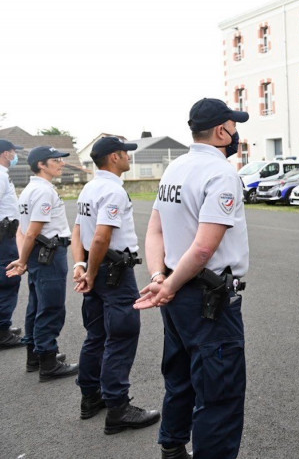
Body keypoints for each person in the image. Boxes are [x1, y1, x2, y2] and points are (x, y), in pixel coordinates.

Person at [134, 98, 249, 459]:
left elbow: (154, 231)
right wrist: (166, 285)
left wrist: (160, 277)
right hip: (207, 298)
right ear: (221, 131)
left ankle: (172, 446)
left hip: (176, 292)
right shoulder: (221, 174)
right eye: (234, 127)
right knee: (220, 392)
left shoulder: (175, 168)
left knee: (180, 376)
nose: (236, 135)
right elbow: (203, 249)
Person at [71, 136, 160, 433]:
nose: (128, 158)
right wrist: (92, 272)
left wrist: (82, 266)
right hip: (112, 272)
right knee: (121, 336)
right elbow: (100, 236)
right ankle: (118, 408)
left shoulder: (89, 188)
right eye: (125, 153)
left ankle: (90, 397)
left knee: (96, 335)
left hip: (96, 268)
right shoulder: (113, 191)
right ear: (113, 157)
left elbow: (78, 232)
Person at [6, 146, 79, 380]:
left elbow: (23, 231)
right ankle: (48, 361)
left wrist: (23, 258)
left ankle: (35, 355)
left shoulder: (29, 189)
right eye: (55, 160)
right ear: (41, 165)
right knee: (51, 306)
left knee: (36, 305)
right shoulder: (43, 191)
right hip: (49, 253)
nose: (61, 163)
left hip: (38, 253)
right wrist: (22, 259)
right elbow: (31, 231)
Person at [0, 139, 25, 349]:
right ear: (6, 154)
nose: (15, 156)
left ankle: (3, 327)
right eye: (14, 152)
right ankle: (1, 331)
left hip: (6, 234)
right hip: (3, 236)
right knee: (8, 279)